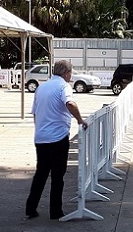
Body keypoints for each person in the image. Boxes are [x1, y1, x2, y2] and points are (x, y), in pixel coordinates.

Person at [25, 60, 87, 220]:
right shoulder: (64, 86)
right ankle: (55, 210)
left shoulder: (41, 87)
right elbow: (70, 103)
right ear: (66, 73)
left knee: (41, 173)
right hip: (58, 137)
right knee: (58, 176)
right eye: (70, 73)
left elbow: (35, 113)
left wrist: (39, 129)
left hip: (41, 137)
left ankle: (31, 207)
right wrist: (80, 120)